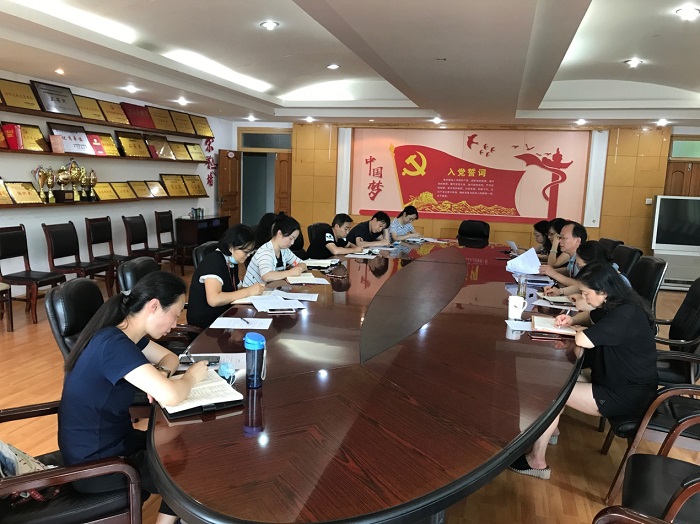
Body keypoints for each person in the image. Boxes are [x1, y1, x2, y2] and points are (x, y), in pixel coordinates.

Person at [58, 271, 209, 524]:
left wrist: (158, 376)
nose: (175, 324)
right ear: (154, 306)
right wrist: (191, 377)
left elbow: (170, 358)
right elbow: (171, 396)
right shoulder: (114, 345)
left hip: (113, 444)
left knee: (186, 446)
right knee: (191, 469)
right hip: (98, 466)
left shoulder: (123, 336)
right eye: (175, 314)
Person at [509, 261, 658, 480]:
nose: (584, 299)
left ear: (603, 291)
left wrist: (575, 329)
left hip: (625, 395)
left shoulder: (624, 315)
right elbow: (590, 317)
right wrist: (572, 319)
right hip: (617, 380)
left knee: (552, 394)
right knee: (556, 382)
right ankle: (551, 430)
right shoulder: (617, 304)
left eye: (586, 293)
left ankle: (536, 461)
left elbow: (582, 340)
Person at [187, 224, 266, 329]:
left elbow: (237, 289)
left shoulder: (231, 261)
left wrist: (255, 291)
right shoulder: (214, 262)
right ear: (231, 247)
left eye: (251, 252)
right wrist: (248, 291)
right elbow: (214, 300)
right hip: (206, 324)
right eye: (246, 252)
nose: (248, 255)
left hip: (224, 316)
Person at [543, 241, 630, 299]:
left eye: (581, 267)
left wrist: (581, 299)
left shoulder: (612, 279)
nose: (580, 271)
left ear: (593, 264)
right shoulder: (601, 273)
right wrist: (560, 291)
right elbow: (582, 287)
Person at [242, 213, 308, 285]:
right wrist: (290, 273)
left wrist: (298, 269)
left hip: (270, 288)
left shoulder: (284, 250)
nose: (292, 243)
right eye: (291, 238)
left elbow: (302, 264)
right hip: (252, 290)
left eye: (294, 239)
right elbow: (266, 276)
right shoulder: (265, 251)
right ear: (279, 233)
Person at [538, 221, 587, 286]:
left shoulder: (584, 259)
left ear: (577, 240)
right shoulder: (573, 257)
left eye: (563, 238)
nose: (559, 241)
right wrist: (547, 271)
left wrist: (553, 273)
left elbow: (581, 285)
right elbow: (568, 270)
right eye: (559, 237)